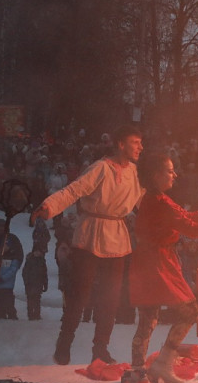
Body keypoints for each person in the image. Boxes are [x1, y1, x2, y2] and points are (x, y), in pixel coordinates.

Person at [30, 126, 144, 365]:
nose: (140, 147)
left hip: (118, 236)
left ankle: (100, 349)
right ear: (121, 144)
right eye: (135, 142)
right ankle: (64, 344)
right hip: (91, 234)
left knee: (111, 297)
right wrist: (48, 207)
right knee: (79, 294)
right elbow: (74, 190)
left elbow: (143, 201)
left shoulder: (134, 172)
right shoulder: (101, 168)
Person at [129, 152, 198, 383]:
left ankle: (138, 373)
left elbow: (186, 217)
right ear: (156, 175)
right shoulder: (160, 203)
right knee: (190, 311)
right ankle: (163, 362)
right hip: (158, 263)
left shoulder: (152, 199)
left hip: (148, 261)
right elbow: (190, 226)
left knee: (147, 319)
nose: (174, 174)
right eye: (169, 170)